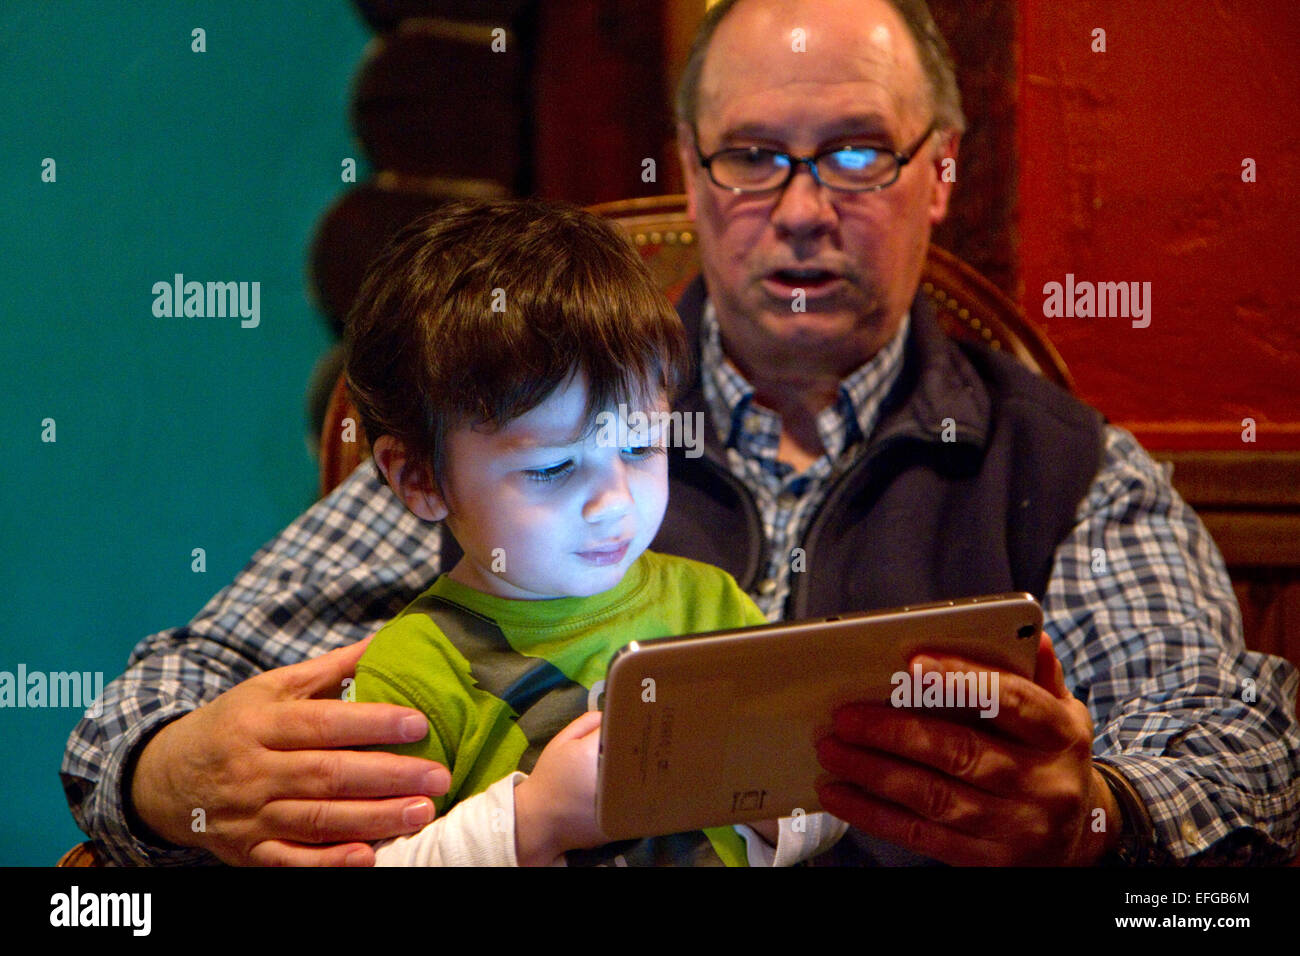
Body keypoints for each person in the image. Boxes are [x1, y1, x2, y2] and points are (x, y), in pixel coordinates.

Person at [64, 0, 1300, 867]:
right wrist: (173, 775)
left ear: (942, 173)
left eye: (859, 154)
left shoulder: (1068, 469)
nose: (803, 209)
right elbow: (171, 687)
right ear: (698, 175)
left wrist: (1101, 814)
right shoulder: (517, 409)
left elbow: (1241, 728)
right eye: (753, 156)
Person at [342, 197, 841, 865]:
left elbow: (826, 799)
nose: (612, 503)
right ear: (420, 479)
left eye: (639, 449)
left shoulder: (710, 608)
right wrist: (535, 822)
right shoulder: (412, 673)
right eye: (551, 469)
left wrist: (773, 801)